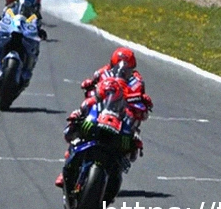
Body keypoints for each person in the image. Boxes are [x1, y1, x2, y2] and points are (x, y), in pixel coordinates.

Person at [55, 47, 153, 188]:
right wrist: (89, 84)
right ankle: (67, 165)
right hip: (103, 106)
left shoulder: (137, 81)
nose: (122, 70)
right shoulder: (103, 72)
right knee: (82, 113)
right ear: (112, 64)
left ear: (132, 68)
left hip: (122, 113)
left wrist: (143, 101)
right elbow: (92, 83)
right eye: (119, 65)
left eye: (127, 67)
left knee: (133, 132)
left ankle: (122, 158)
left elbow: (141, 100)